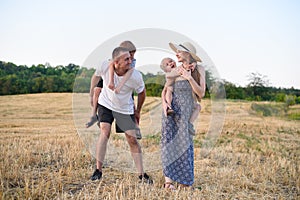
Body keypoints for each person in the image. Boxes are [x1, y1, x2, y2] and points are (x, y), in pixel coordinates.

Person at [89, 46, 152, 183]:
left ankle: (142, 174)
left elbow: (142, 93)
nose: (131, 61)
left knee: (132, 139)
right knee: (105, 131)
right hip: (105, 104)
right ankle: (98, 170)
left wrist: (138, 111)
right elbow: (95, 77)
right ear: (116, 63)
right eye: (127, 59)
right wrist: (91, 94)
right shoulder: (105, 66)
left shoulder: (135, 76)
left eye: (131, 58)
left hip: (124, 109)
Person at [161, 42, 206, 190]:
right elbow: (166, 88)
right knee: (169, 143)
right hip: (172, 110)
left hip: (186, 112)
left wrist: (189, 77)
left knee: (184, 145)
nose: (176, 54)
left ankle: (184, 181)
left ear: (188, 54)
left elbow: (201, 94)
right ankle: (168, 182)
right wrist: (165, 104)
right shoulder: (175, 70)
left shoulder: (199, 69)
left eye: (179, 51)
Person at [86, 41, 142, 140]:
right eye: (131, 54)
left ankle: (136, 126)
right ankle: (94, 114)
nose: (132, 57)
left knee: (131, 102)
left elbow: (130, 71)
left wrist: (119, 85)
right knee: (97, 90)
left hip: (123, 82)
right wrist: (110, 81)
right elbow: (110, 65)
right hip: (108, 78)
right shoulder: (115, 59)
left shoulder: (131, 61)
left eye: (133, 54)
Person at [160, 57, 201, 135]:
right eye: (167, 64)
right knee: (169, 91)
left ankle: (190, 123)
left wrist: (192, 66)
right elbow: (165, 90)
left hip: (185, 97)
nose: (170, 64)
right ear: (165, 70)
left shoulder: (180, 68)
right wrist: (187, 69)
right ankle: (169, 106)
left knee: (198, 107)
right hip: (173, 92)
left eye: (171, 61)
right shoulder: (170, 73)